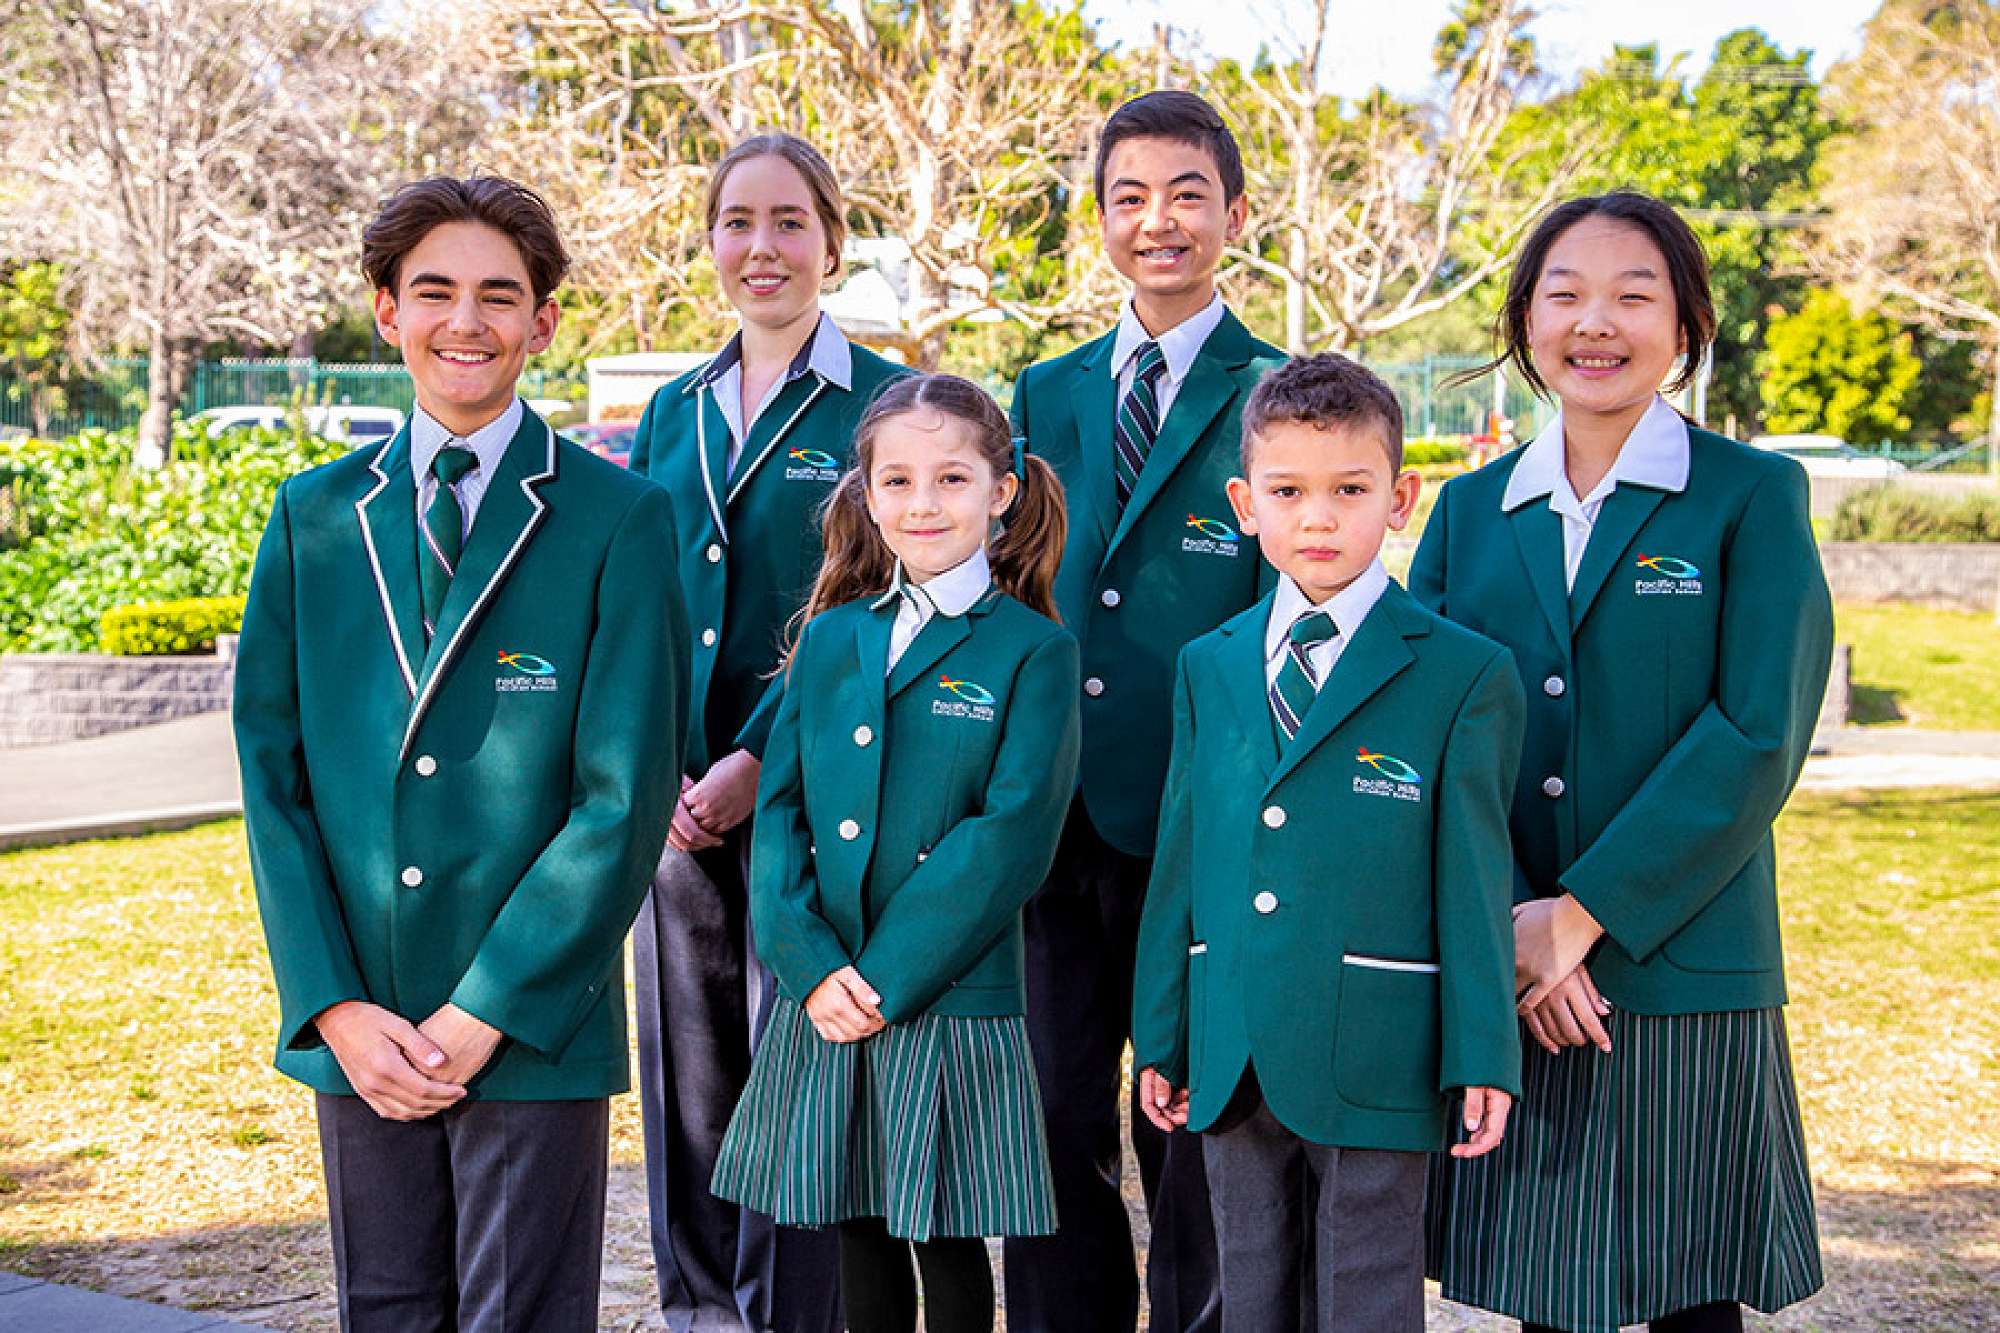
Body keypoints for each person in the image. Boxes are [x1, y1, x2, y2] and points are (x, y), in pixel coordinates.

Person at [234, 174, 687, 1331]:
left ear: (543, 320)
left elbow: (622, 798)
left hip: (530, 1018)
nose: (465, 321)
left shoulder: (619, 518)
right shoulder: (310, 515)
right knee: (387, 1309)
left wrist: (487, 1007)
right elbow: (273, 782)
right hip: (367, 1023)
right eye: (433, 292)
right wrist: (333, 1007)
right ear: (387, 311)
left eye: (500, 295)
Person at [1415, 191, 1831, 1333]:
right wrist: (1517, 924)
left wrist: (1581, 915)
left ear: (1685, 325)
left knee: (1691, 1301)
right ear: (1525, 320)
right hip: (1519, 967)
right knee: (1549, 1297)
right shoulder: (1466, 511)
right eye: (1565, 295)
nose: (1595, 323)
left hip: (1681, 959)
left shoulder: (1751, 496)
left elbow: (1756, 735)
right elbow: (1430, 737)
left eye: (1632, 296)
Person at [1130, 353, 1524, 1331]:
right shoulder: (1207, 665)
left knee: (1367, 1290)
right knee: (1248, 1288)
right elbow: (1180, 862)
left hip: (1380, 1045)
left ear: (1400, 498)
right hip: (1232, 1044)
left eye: (1349, 490)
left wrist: (1483, 1048)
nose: (1318, 518)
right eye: (1287, 492)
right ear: (1243, 504)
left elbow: (1474, 881)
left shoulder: (1464, 674)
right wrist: (1162, 1030)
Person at [710, 373, 1079, 1333]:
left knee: (945, 1238)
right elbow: (781, 811)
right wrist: (808, 962)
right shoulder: (832, 638)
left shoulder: (1033, 650)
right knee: (855, 1226)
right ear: (867, 498)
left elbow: (1010, 837)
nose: (924, 503)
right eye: (898, 481)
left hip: (941, 993)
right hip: (825, 989)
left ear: (1001, 491)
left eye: (952, 478)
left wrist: (881, 976)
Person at [1004, 88, 1284, 1333]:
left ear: (1234, 213)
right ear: (1099, 218)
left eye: (1185, 195)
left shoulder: (1276, 391)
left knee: (1189, 1115)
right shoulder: (1042, 390)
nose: (1156, 220)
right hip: (1052, 817)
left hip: (1200, 817)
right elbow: (1011, 584)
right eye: (1128, 197)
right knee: (1048, 1119)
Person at [625, 132, 907, 1333]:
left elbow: (882, 604)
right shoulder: (670, 410)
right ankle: (699, 1313)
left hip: (811, 793)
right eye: (737, 221)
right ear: (709, 241)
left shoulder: (887, 405)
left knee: (796, 1082)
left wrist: (756, 756)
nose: (762, 246)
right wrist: (659, 768)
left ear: (832, 244)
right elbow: (636, 603)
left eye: (789, 221)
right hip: (673, 805)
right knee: (689, 1083)